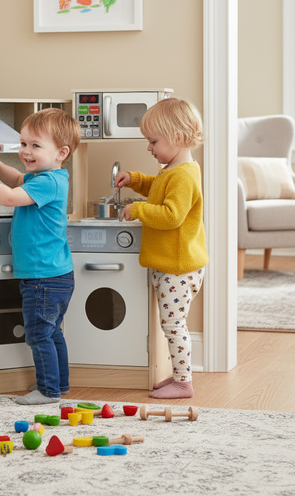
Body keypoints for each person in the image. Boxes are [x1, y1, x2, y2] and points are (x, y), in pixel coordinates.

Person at [0, 108, 81, 405]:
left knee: (38, 335)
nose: (26, 151)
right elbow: (16, 180)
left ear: (61, 152)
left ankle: (47, 390)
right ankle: (59, 385)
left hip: (43, 278)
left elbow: (10, 197)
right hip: (56, 275)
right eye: (24, 143)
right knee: (52, 334)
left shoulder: (47, 183)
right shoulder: (47, 177)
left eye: (35, 146)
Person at [114, 97, 208, 399]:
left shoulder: (183, 175)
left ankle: (184, 382)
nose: (148, 147)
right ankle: (177, 377)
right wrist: (136, 180)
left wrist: (139, 209)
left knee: (173, 324)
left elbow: (170, 216)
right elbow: (159, 187)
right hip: (171, 265)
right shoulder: (175, 170)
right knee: (170, 323)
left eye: (153, 141)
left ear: (177, 138)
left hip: (178, 269)